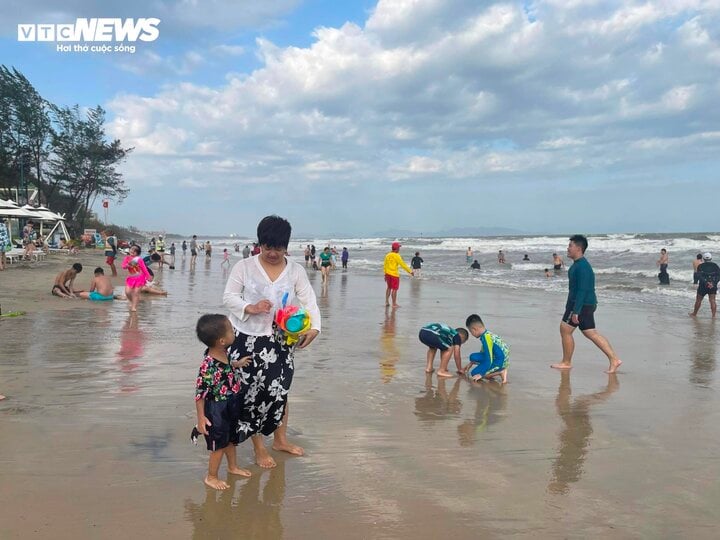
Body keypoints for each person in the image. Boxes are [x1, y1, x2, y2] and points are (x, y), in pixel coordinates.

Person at [223, 215, 321, 469]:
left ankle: (280, 440)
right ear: (259, 244)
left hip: (280, 340)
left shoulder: (296, 270)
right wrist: (250, 307)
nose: (272, 253)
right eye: (267, 247)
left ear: (286, 246)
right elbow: (229, 297)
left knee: (280, 391)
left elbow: (309, 300)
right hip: (247, 337)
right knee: (253, 393)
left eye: (278, 248)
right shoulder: (244, 266)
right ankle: (259, 447)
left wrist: (315, 328)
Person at [193, 314, 252, 490]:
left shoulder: (223, 353)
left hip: (231, 403)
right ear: (221, 340)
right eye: (231, 330)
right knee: (218, 445)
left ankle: (233, 467)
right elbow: (200, 394)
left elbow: (225, 368)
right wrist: (201, 418)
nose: (234, 332)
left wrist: (237, 364)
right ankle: (211, 476)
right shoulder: (207, 366)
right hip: (216, 408)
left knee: (231, 440)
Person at [551, 235, 622, 374]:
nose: (568, 248)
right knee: (591, 333)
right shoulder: (579, 264)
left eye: (570, 246)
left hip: (581, 305)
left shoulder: (582, 267)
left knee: (565, 330)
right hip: (584, 304)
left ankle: (566, 362)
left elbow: (582, 290)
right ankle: (614, 359)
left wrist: (576, 311)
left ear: (578, 248)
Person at [465, 314, 510, 383]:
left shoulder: (486, 339)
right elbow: (483, 351)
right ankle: (492, 370)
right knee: (473, 357)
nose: (472, 334)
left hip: (500, 361)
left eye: (471, 332)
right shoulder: (487, 334)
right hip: (497, 356)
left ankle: (501, 371)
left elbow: (489, 358)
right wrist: (471, 363)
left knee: (474, 373)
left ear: (474, 329)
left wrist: (481, 374)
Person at [122, 245, 152, 312]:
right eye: (132, 249)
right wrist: (128, 265)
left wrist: (148, 276)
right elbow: (123, 267)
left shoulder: (139, 259)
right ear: (129, 250)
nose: (133, 251)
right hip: (131, 278)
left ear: (137, 253)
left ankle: (134, 307)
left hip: (140, 278)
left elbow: (144, 268)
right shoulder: (127, 258)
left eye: (135, 251)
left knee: (136, 293)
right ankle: (132, 301)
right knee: (127, 292)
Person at [384, 242, 413, 308]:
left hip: (388, 274)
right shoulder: (397, 255)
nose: (399, 249)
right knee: (394, 289)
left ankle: (386, 302)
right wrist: (410, 271)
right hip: (394, 275)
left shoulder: (387, 255)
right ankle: (394, 304)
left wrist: (385, 274)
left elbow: (385, 265)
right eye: (399, 248)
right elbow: (403, 264)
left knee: (389, 288)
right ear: (396, 248)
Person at [690, 253, 720, 318]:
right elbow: (718, 276)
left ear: (703, 259)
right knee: (712, 300)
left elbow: (699, 276)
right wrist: (713, 283)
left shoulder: (700, 266)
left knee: (698, 300)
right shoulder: (715, 266)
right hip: (712, 286)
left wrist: (706, 283)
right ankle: (713, 316)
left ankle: (694, 314)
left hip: (703, 286)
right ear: (711, 258)